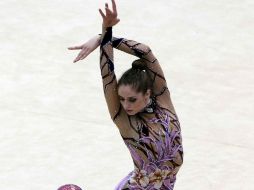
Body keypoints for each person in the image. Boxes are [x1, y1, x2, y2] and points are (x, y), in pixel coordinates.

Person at [68, 0, 183, 189]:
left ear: (148, 94)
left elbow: (145, 52)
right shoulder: (126, 122)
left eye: (132, 99)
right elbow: (108, 76)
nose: (125, 105)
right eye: (121, 99)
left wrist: (102, 37)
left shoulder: (164, 103)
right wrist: (105, 29)